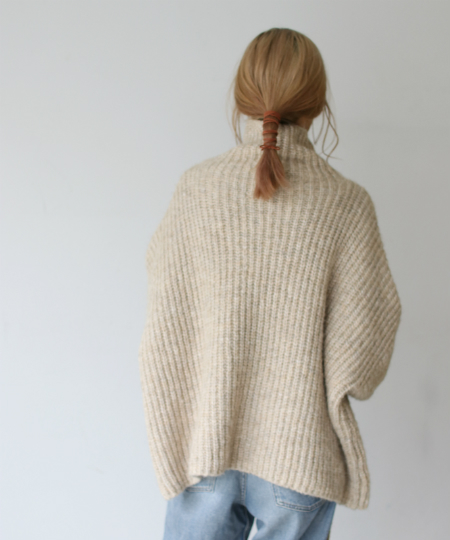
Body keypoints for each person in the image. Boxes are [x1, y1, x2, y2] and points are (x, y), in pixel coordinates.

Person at [138, 28, 402, 540]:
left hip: (204, 451)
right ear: (317, 104)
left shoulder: (196, 190)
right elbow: (364, 354)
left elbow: (165, 331)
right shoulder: (346, 204)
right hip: (299, 457)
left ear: (242, 98)